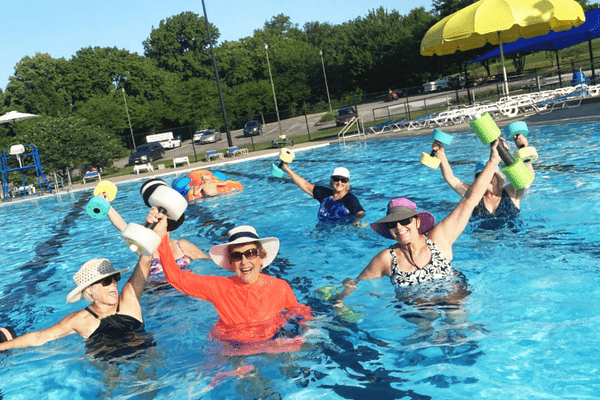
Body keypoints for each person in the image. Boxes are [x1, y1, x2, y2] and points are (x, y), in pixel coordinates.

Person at [338, 140, 504, 299]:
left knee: (456, 315)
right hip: (417, 311)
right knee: (424, 319)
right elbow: (356, 282)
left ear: (417, 222)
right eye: (392, 223)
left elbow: (469, 201)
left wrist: (493, 161)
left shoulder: (439, 239)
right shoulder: (387, 258)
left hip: (454, 300)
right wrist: (341, 298)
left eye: (404, 221)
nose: (399, 227)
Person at [149, 209, 312, 352]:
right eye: (237, 256)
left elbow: (298, 312)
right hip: (236, 349)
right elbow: (176, 277)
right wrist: (162, 235)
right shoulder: (219, 287)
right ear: (231, 262)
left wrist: (309, 330)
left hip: (272, 343)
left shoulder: (280, 287)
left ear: (260, 256)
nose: (244, 261)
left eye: (250, 253)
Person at [0, 237, 153, 356]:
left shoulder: (129, 300)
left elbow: (146, 259)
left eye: (116, 278)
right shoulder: (79, 320)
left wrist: (155, 220)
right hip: (108, 365)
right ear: (89, 290)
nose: (114, 284)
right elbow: (39, 337)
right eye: (107, 281)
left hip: (142, 354)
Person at [98, 196, 209, 282]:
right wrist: (107, 206)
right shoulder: (146, 246)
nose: (148, 220)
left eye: (152, 219)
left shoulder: (182, 246)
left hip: (183, 289)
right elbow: (123, 227)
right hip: (156, 294)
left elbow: (209, 262)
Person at [434, 135, 535, 218]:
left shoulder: (511, 193)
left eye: (490, 175)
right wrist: (441, 153)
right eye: (481, 175)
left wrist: (521, 148)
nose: (487, 178)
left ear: (498, 177)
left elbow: (526, 179)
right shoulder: (473, 195)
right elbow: (451, 179)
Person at [280, 164, 365, 223]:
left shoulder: (350, 199)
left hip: (340, 231)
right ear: (331, 181)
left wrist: (355, 223)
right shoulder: (325, 195)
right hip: (323, 232)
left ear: (347, 183)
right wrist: (287, 169)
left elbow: (360, 213)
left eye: (343, 180)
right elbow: (304, 185)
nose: (339, 182)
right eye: (336, 179)